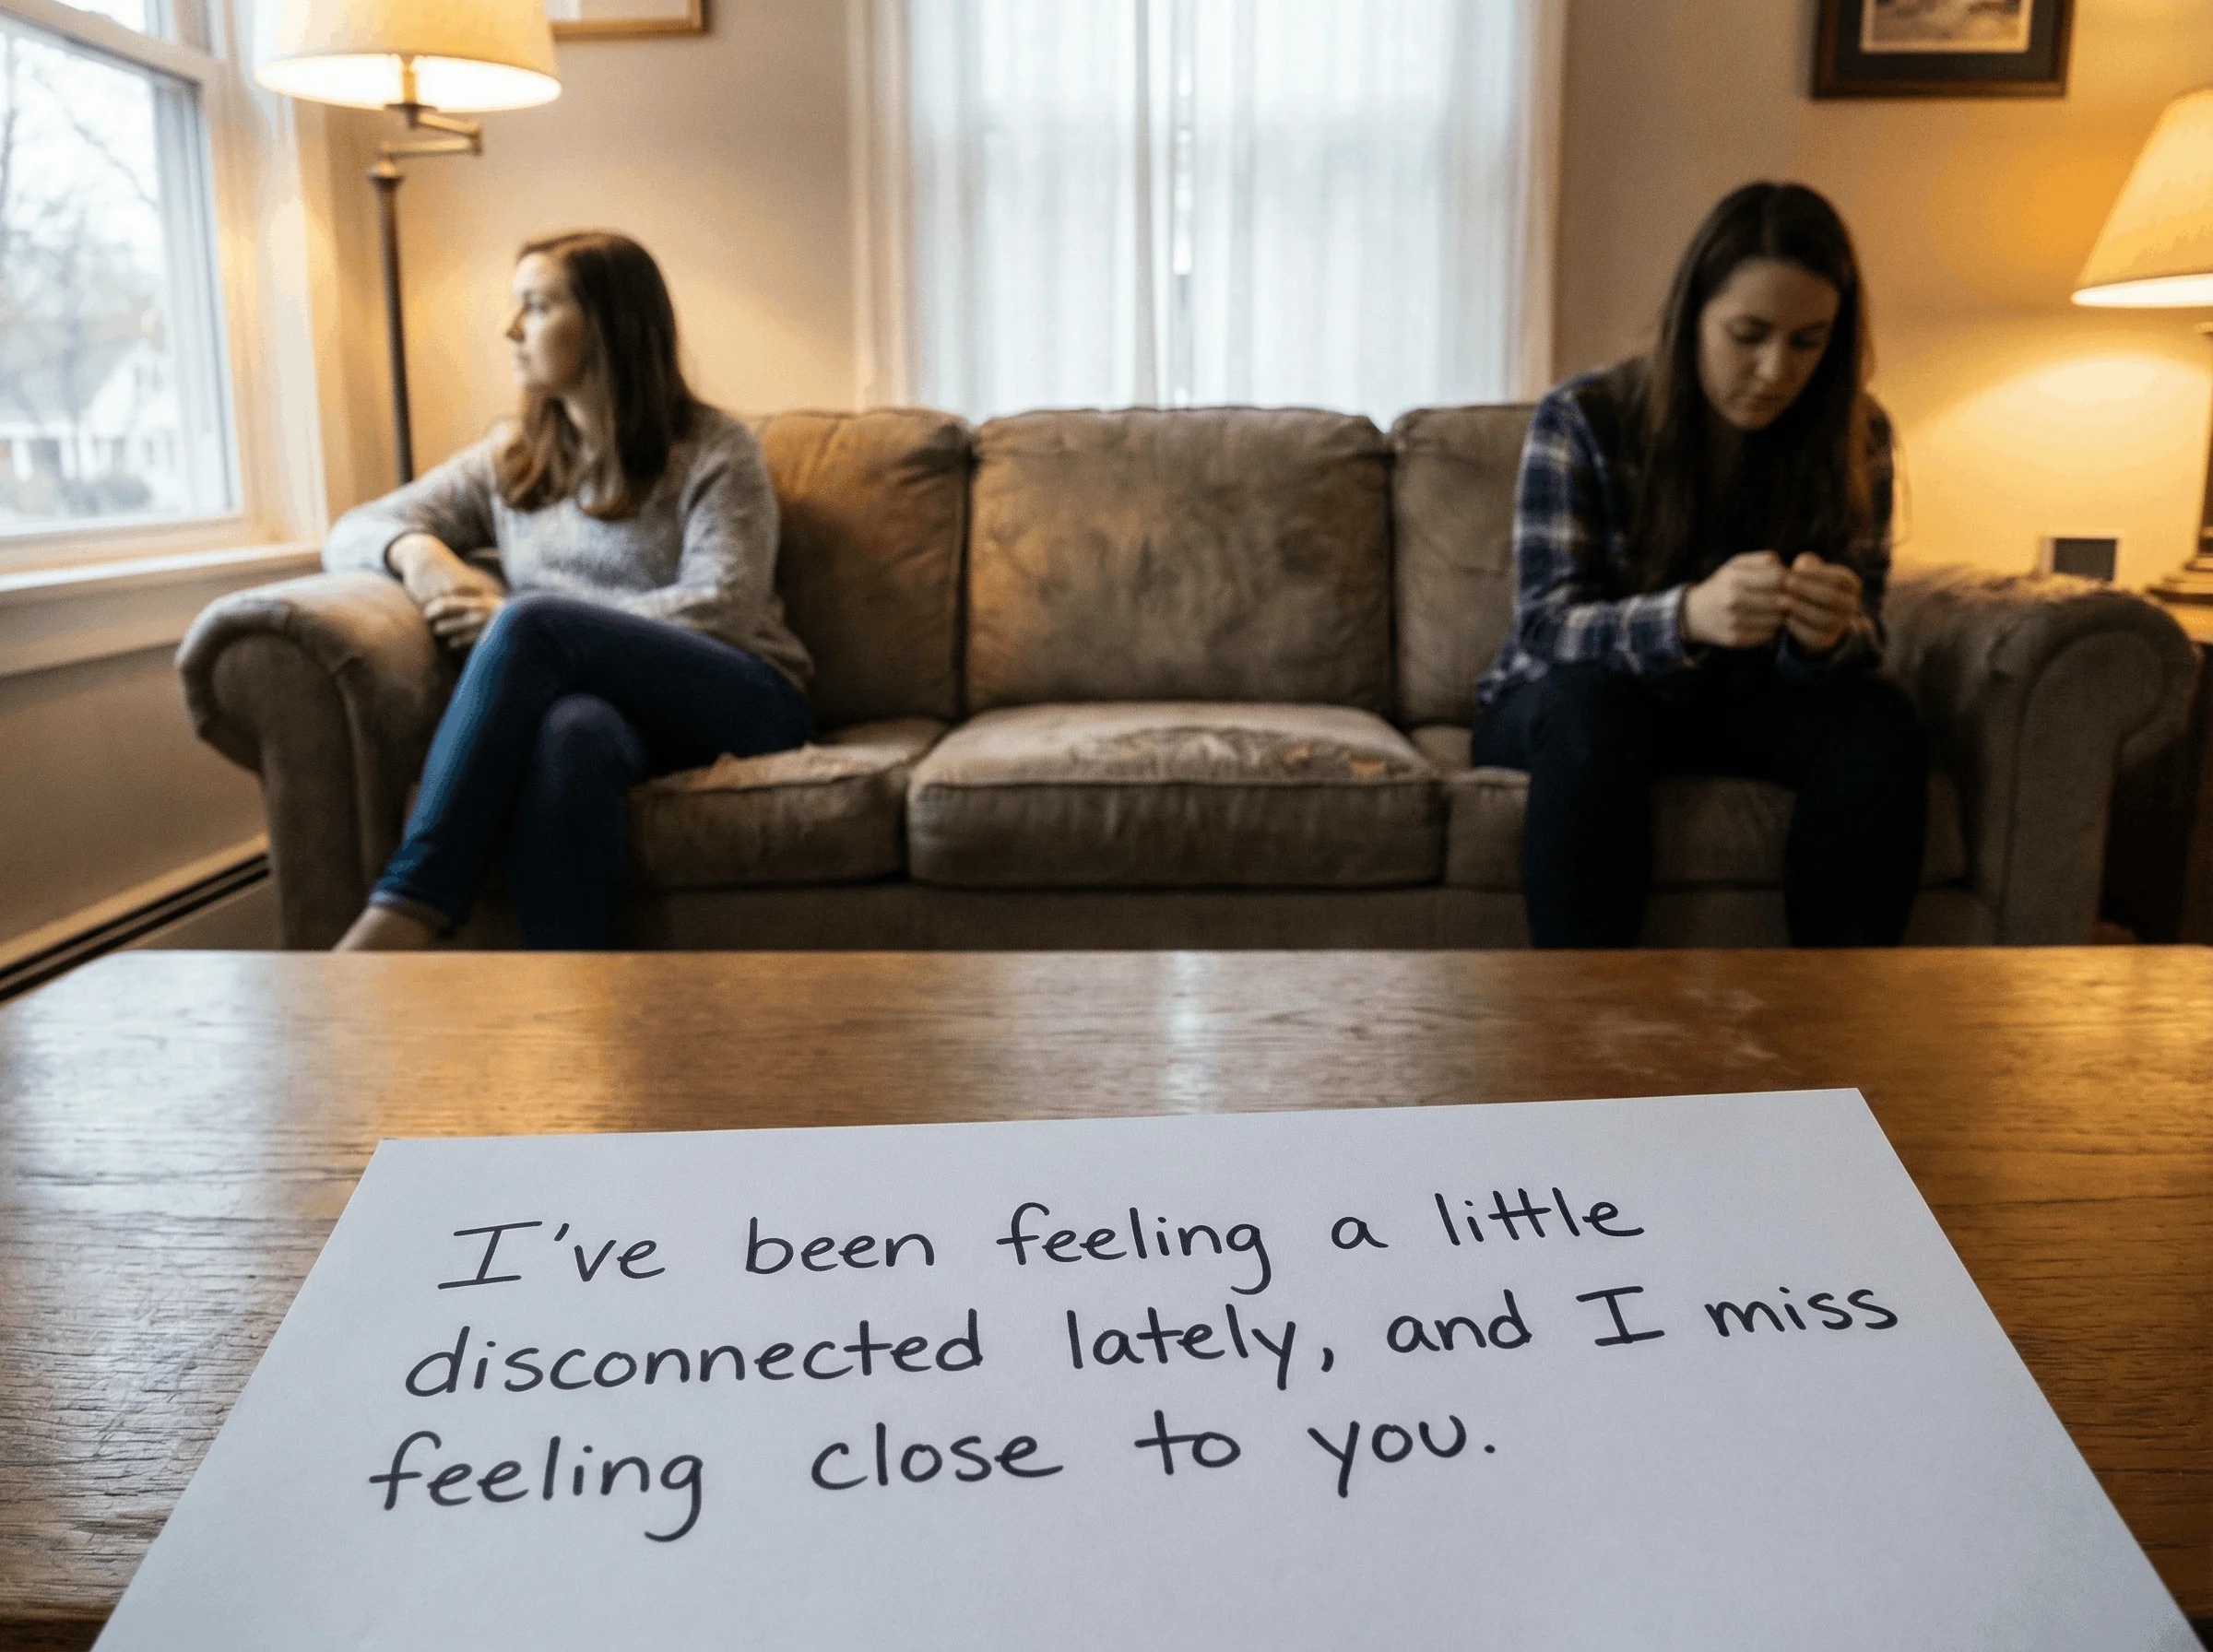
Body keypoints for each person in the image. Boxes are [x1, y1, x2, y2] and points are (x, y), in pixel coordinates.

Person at [1470, 182, 1926, 949]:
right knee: (1593, 711)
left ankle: (1841, 1020)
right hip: (1568, 700)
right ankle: (1582, 1021)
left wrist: (1829, 636)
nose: (1776, 370)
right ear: (1693, 320)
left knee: (1881, 724)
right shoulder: (1583, 417)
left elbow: (1867, 629)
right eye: (1748, 334)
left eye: (1809, 341)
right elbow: (1547, 626)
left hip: (1743, 699)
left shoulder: (1857, 433)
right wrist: (1686, 615)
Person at [326, 230, 811, 950]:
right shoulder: (509, 460)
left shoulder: (715, 449)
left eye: (537, 306)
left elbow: (724, 605)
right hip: (606, 713)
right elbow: (354, 529)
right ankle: (569, 1013)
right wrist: (420, 553)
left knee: (530, 625)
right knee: (569, 737)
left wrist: (538, 627)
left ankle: (406, 910)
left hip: (743, 696)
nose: (512, 329)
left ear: (610, 323)